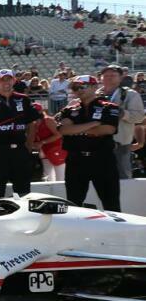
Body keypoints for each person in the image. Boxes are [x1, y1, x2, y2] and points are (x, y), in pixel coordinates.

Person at [57, 75, 121, 211]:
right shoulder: (69, 109)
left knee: (111, 203)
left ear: (94, 87)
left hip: (103, 159)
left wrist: (77, 129)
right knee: (73, 204)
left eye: (82, 86)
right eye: (75, 88)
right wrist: (93, 124)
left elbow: (108, 129)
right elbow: (64, 129)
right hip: (76, 161)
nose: (78, 90)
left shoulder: (109, 107)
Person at [0, 69, 41, 199]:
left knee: (23, 192)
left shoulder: (23, 99)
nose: (6, 83)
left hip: (20, 151)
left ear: (14, 80)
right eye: (2, 80)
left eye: (8, 79)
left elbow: (32, 123)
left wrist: (28, 145)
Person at [100, 63, 145, 179]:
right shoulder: (95, 94)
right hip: (96, 143)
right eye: (106, 75)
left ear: (120, 78)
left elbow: (139, 117)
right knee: (99, 177)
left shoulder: (130, 95)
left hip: (120, 143)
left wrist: (122, 113)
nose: (109, 77)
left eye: (113, 75)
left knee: (122, 177)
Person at [32, 102, 67, 182]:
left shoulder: (48, 120)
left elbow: (59, 134)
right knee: (47, 177)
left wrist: (42, 142)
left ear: (41, 111)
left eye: (37, 111)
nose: (35, 113)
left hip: (56, 149)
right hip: (44, 152)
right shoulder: (31, 123)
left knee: (60, 178)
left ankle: (62, 194)